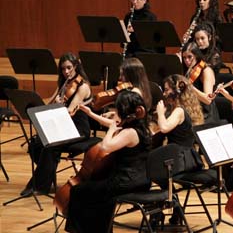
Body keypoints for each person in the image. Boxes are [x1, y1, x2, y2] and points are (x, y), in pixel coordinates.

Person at [66, 90, 152, 233]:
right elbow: (112, 123)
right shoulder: (143, 127)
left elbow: (106, 146)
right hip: (142, 179)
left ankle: (79, 230)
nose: (115, 112)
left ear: (124, 111)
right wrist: (91, 114)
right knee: (99, 193)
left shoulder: (129, 133)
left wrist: (111, 131)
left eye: (117, 109)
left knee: (78, 191)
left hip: (125, 182)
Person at [20, 52, 91, 196]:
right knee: (35, 144)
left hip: (78, 129)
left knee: (50, 146)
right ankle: (48, 173)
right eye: (63, 69)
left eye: (69, 68)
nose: (66, 72)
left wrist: (59, 107)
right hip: (63, 126)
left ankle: (39, 186)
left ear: (76, 66)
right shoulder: (63, 84)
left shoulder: (82, 87)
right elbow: (49, 103)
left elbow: (70, 112)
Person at [156, 74, 205, 173]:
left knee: (152, 163)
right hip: (189, 157)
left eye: (166, 90)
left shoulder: (179, 111)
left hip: (178, 160)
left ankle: (167, 188)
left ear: (175, 91)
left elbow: (164, 128)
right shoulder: (189, 108)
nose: (164, 94)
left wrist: (160, 113)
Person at [182, 41, 220, 123]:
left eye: (189, 57)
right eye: (184, 58)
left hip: (206, 114)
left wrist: (190, 87)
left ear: (196, 56)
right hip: (193, 110)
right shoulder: (189, 70)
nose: (187, 61)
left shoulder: (206, 71)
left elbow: (208, 100)